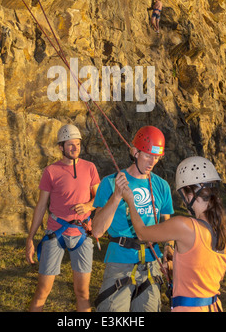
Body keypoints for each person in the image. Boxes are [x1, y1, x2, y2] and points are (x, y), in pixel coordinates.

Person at [122, 156, 226, 312]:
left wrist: (130, 201)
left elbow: (142, 233)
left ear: (187, 194)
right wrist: (175, 266)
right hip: (214, 307)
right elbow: (207, 272)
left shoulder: (185, 226)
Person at [92, 126, 174, 312]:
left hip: (152, 265)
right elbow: (96, 230)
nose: (152, 162)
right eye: (147, 155)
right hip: (120, 262)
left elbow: (166, 224)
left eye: (157, 157)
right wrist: (116, 197)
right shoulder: (111, 182)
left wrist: (168, 247)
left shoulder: (162, 186)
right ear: (134, 152)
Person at [26, 124, 100, 312]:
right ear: (61, 147)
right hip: (55, 233)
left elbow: (98, 199)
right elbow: (41, 205)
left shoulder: (90, 168)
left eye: (77, 144)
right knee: (42, 292)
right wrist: (30, 238)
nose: (75, 148)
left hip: (82, 233)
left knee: (83, 293)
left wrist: (88, 206)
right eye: (70, 145)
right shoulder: (51, 171)